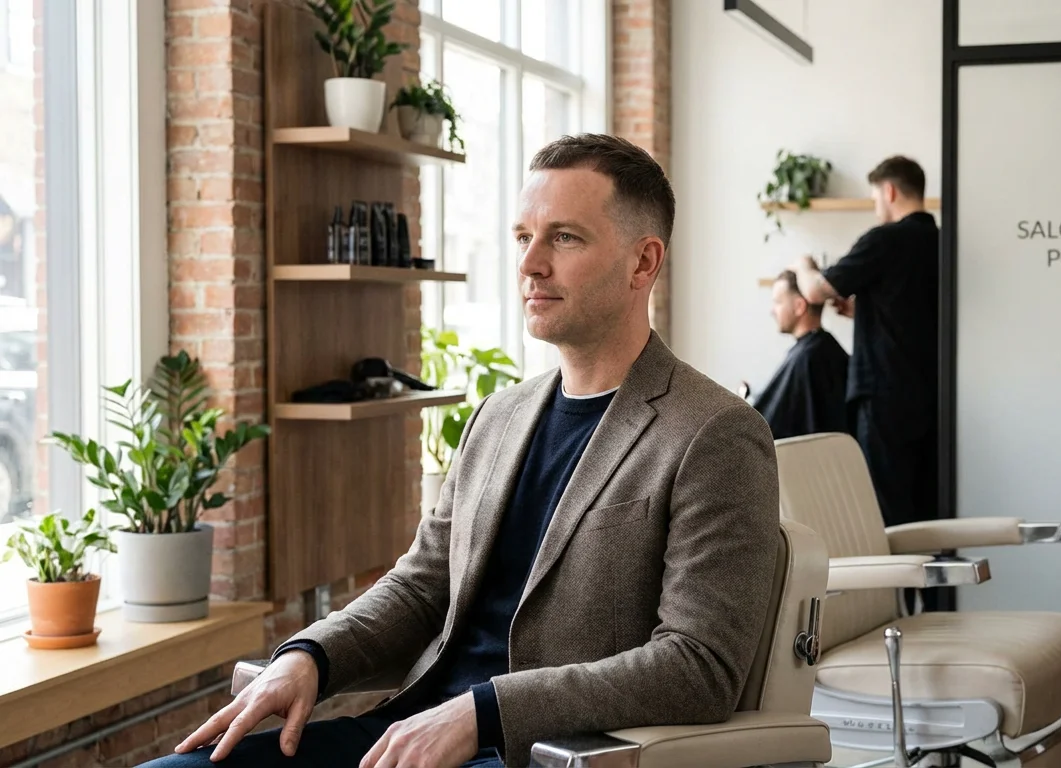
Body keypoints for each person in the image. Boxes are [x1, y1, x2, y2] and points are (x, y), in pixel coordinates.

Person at [144, 135, 780, 768]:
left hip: (539, 752)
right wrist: (311, 655)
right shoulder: (497, 417)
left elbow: (698, 666)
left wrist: (484, 713)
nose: (530, 264)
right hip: (405, 731)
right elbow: (422, 587)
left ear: (643, 263)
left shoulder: (715, 433)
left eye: (564, 238)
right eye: (522, 237)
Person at [791, 155, 939, 530]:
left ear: (889, 191)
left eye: (876, 198)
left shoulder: (885, 240)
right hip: (933, 399)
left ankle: (890, 590)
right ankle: (936, 591)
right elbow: (915, 312)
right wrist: (864, 313)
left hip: (885, 398)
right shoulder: (940, 243)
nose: (877, 207)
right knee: (928, 515)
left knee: (886, 516)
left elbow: (814, 290)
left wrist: (804, 264)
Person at [748, 269, 849, 440]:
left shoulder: (807, 357)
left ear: (799, 306)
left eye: (778, 302)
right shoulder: (823, 348)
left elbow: (767, 424)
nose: (772, 311)